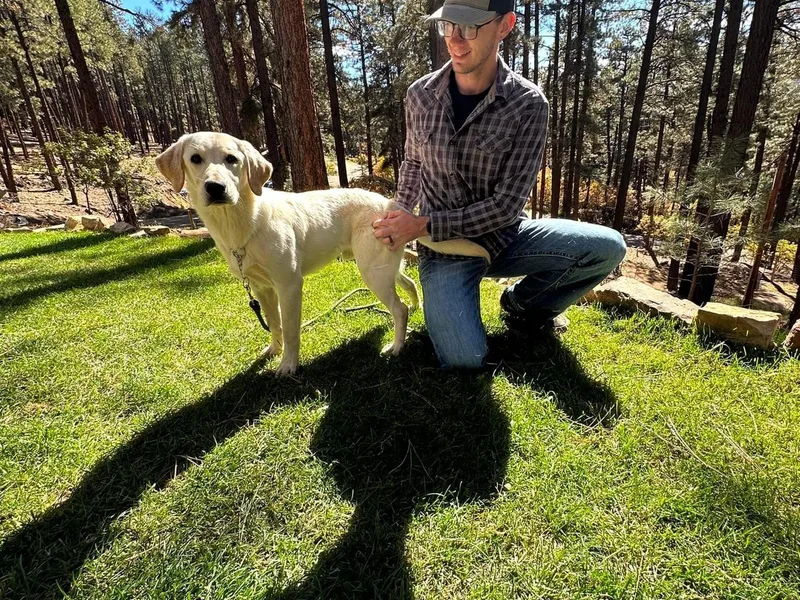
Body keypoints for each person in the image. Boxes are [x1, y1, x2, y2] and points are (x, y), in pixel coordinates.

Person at [372, 0, 626, 369]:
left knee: (608, 247)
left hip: (504, 238)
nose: (455, 40)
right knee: (464, 359)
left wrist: (422, 224)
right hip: (444, 251)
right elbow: (413, 162)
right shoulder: (420, 94)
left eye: (470, 28)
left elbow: (507, 205)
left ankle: (523, 305)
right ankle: (455, 308)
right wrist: (398, 214)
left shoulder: (528, 104)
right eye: (448, 26)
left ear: (505, 25)